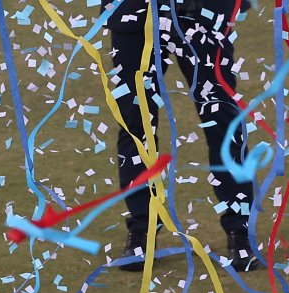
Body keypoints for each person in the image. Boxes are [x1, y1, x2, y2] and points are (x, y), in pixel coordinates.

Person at [105, 0, 266, 272]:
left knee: (221, 116)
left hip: (204, 9)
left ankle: (240, 232)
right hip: (135, 11)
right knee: (136, 120)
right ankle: (141, 231)